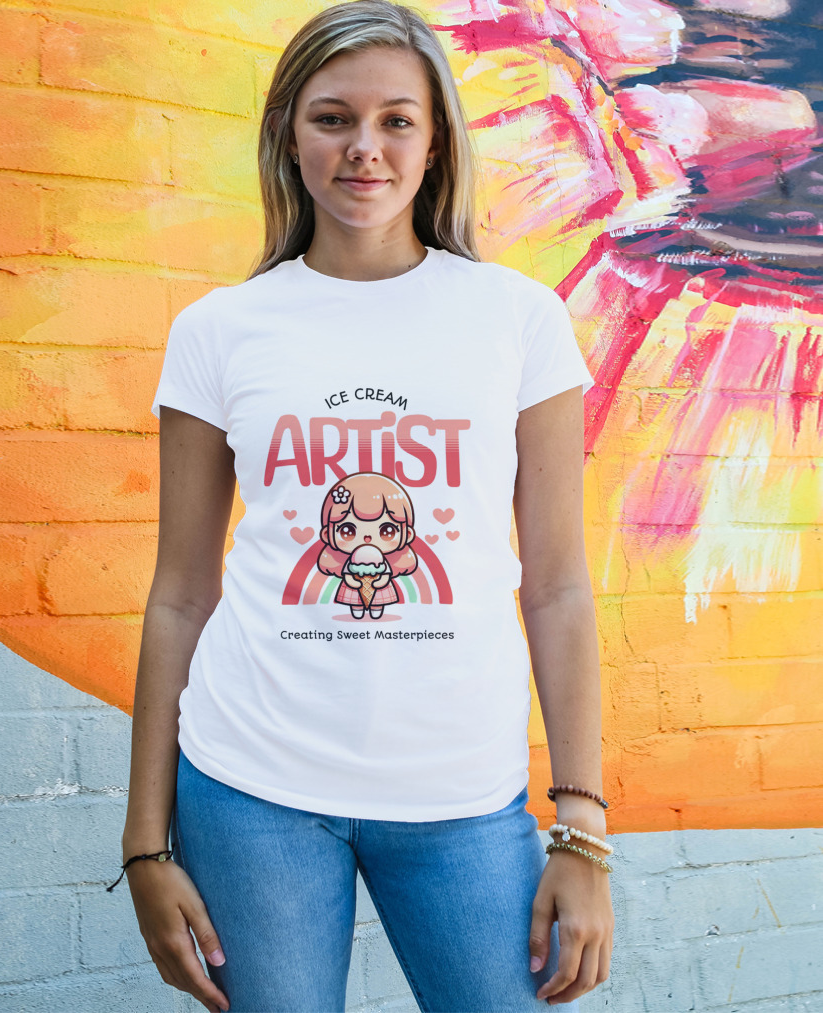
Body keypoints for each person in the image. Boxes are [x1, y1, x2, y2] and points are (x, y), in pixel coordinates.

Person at [117, 2, 615, 1010]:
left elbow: (558, 585)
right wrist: (142, 845)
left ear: (435, 145)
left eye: (397, 120)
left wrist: (581, 824)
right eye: (332, 118)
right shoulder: (220, 330)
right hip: (249, 785)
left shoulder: (517, 320)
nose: (365, 149)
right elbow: (179, 593)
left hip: (465, 796)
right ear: (289, 136)